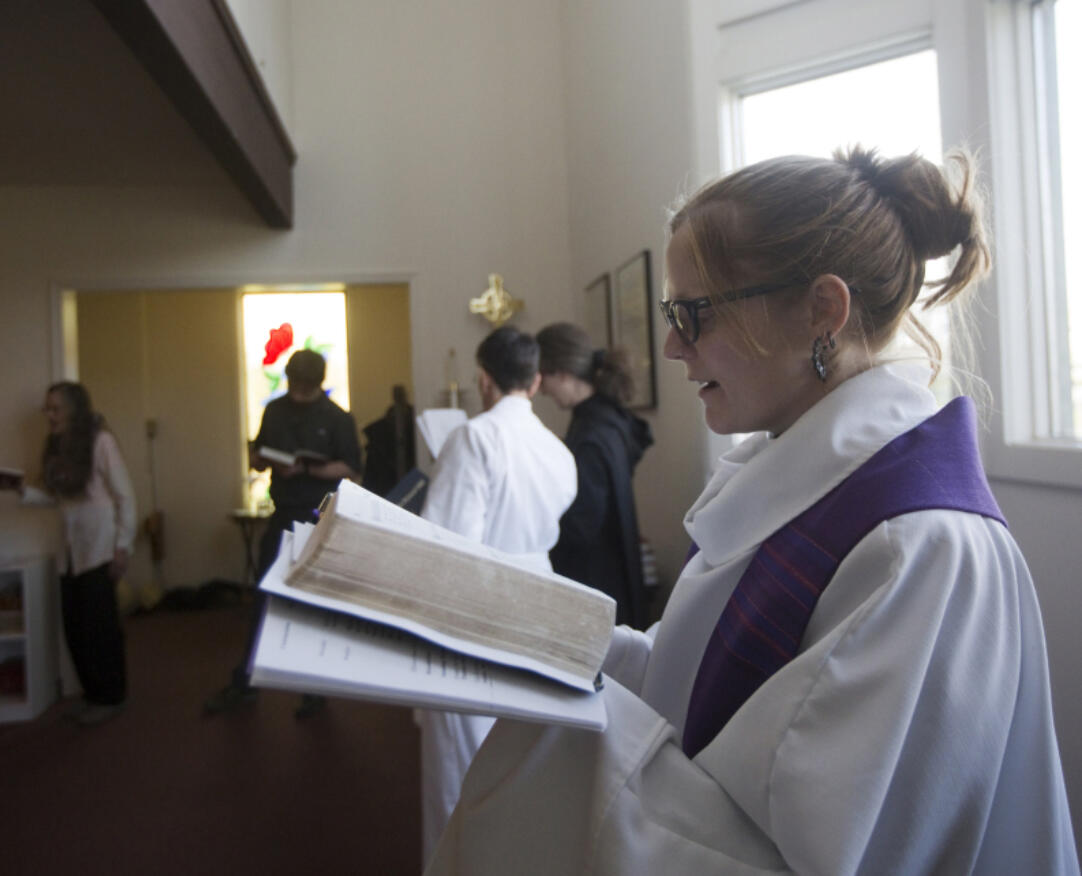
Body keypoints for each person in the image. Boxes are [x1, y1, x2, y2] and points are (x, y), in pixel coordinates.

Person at [425, 148, 1079, 874]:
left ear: (821, 312)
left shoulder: (915, 547)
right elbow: (689, 681)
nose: (673, 346)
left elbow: (795, 858)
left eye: (693, 314)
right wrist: (531, 632)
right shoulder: (814, 484)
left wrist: (560, 735)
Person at [416, 325, 578, 867]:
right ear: (534, 382)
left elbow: (449, 544)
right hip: (541, 607)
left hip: (476, 614)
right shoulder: (558, 451)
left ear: (484, 381)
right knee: (523, 764)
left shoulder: (474, 438)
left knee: (460, 771)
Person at [204, 348, 361, 718]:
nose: (298, 392)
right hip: (283, 512)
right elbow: (257, 454)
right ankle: (246, 681)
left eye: (305, 387)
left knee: (313, 603)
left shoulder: (337, 418)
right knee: (265, 596)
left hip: (320, 515)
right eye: (294, 384)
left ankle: (314, 689)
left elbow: (349, 468)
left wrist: (306, 467)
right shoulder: (275, 409)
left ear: (318, 384)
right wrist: (264, 461)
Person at [22, 381, 137, 727]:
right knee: (75, 628)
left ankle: (111, 696)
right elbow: (58, 499)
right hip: (69, 550)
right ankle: (92, 694)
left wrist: (123, 546)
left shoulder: (101, 441)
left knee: (100, 627)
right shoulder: (55, 448)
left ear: (73, 409)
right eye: (47, 409)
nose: (49, 415)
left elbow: (125, 497)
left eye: (55, 408)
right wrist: (19, 491)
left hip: (100, 547)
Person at [536, 323, 653, 626]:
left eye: (544, 377)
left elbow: (579, 528)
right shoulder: (608, 417)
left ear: (562, 373)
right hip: (614, 573)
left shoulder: (592, 433)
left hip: (597, 582)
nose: (542, 388)